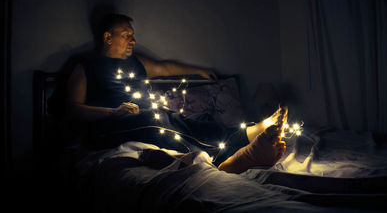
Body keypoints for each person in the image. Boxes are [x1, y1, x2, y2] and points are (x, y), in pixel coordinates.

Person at [65, 13, 286, 174]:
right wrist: (113, 112)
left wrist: (198, 71)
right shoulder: (86, 68)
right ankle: (230, 157)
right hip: (111, 127)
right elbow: (73, 108)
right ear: (108, 37)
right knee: (159, 122)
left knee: (182, 120)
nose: (133, 41)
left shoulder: (136, 62)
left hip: (146, 115)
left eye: (133, 35)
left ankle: (249, 134)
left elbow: (165, 69)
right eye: (126, 35)